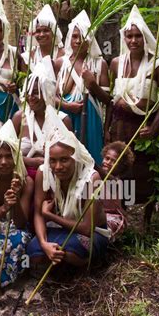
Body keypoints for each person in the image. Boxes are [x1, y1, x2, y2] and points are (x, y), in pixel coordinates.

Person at [106, 5, 159, 226]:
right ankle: (120, 213)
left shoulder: (157, 65)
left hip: (143, 127)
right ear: (124, 37)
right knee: (120, 169)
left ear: (145, 37)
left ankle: (146, 219)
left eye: (138, 36)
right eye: (129, 36)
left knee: (144, 171)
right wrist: (108, 127)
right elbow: (112, 101)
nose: (133, 40)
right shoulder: (116, 63)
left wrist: (154, 127)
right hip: (120, 126)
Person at [27, 114, 109, 272]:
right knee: (34, 253)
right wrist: (44, 244)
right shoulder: (44, 173)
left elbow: (86, 228)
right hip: (57, 229)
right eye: (53, 160)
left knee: (70, 254)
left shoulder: (91, 178)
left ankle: (82, 264)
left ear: (75, 157)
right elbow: (38, 213)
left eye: (64, 160)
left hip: (91, 232)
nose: (57, 167)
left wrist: (50, 215)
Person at [0, 120, 33, 287]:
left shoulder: (25, 181)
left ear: (16, 158)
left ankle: (11, 278)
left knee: (22, 240)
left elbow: (20, 223)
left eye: (9, 156)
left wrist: (14, 200)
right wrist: (4, 208)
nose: (3, 162)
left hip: (13, 232)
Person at [55, 10, 110, 164]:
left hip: (91, 118)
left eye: (83, 36)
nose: (78, 41)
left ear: (90, 39)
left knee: (91, 159)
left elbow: (108, 101)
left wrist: (92, 84)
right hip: (65, 117)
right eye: (74, 36)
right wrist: (67, 105)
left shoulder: (100, 64)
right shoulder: (60, 63)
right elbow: (50, 95)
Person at [13, 57, 73, 181]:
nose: (31, 97)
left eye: (35, 92)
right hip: (22, 177)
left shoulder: (62, 120)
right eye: (28, 93)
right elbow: (7, 153)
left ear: (46, 93)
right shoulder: (20, 117)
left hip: (53, 177)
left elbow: (70, 155)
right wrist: (31, 161)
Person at [96, 142, 135, 240]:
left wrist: (90, 161)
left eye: (113, 161)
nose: (108, 162)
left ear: (121, 166)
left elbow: (107, 178)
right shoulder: (95, 176)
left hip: (112, 217)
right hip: (97, 214)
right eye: (107, 158)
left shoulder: (116, 181)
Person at [23, 4, 64, 72]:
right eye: (38, 31)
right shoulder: (30, 56)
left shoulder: (63, 54)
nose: (41, 35)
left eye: (46, 30)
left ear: (53, 33)